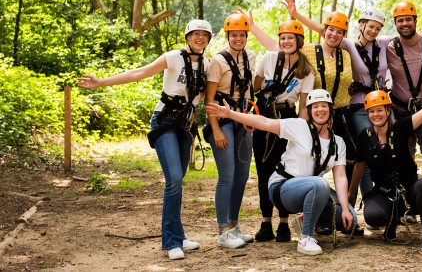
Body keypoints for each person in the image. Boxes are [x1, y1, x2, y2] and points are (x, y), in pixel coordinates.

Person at [77, 19, 212, 260]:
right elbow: (138, 73)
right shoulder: (172, 57)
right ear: (187, 36)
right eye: (195, 34)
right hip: (164, 121)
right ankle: (171, 242)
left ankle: (178, 235)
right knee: (173, 180)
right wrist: (101, 82)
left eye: (204, 35)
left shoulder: (206, 64)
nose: (199, 38)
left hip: (185, 126)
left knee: (178, 181)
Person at [206, 89, 357, 256]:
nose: (320, 110)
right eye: (315, 106)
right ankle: (306, 237)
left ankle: (303, 219)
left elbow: (341, 177)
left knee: (350, 219)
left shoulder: (338, 143)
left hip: (312, 190)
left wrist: (344, 208)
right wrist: (231, 114)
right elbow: (264, 122)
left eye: (324, 106)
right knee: (320, 184)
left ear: (330, 110)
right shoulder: (299, 126)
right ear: (309, 110)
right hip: (283, 189)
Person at [282, 0, 388, 206]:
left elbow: (334, 35)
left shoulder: (346, 53)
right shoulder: (312, 50)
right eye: (370, 26)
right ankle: (315, 205)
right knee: (313, 158)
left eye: (339, 32)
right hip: (318, 113)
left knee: (354, 156)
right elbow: (318, 34)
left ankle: (354, 205)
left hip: (342, 111)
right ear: (361, 25)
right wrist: (295, 15)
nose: (334, 34)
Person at [348, 71, 422, 251]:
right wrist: (350, 196)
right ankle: (392, 220)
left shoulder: (401, 128)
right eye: (371, 111)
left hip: (409, 188)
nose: (375, 114)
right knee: (372, 216)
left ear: (388, 111)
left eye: (380, 110)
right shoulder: (365, 137)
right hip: (384, 191)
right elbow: (359, 167)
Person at [250, 19, 315, 242]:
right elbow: (255, 87)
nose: (286, 41)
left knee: (286, 169)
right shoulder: (268, 59)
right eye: (283, 38)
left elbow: (304, 106)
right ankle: (266, 221)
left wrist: (302, 132)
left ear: (299, 41)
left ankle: (284, 223)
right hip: (265, 114)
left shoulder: (306, 70)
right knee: (263, 169)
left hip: (287, 116)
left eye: (291, 38)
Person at [385, 1, 422, 223]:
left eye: (408, 19)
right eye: (400, 20)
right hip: (400, 111)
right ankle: (410, 206)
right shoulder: (389, 48)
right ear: (395, 24)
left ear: (415, 21)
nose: (405, 23)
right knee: (405, 159)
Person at [203, 13, 256, 248]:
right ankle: (222, 229)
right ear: (227, 36)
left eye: (242, 35)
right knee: (228, 175)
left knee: (242, 176)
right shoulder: (218, 61)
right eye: (234, 35)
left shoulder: (251, 57)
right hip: (222, 122)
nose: (238, 39)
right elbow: (210, 100)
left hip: (243, 120)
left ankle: (234, 225)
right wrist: (215, 130)